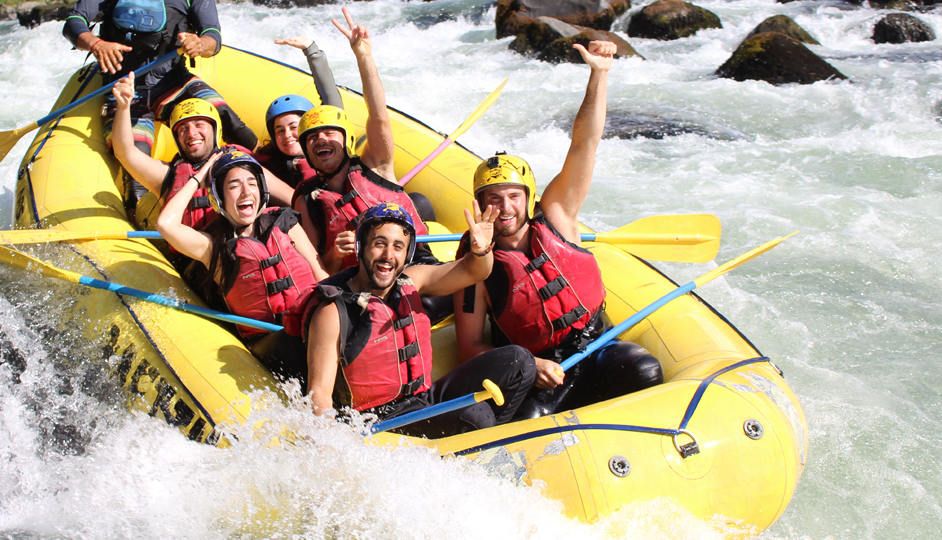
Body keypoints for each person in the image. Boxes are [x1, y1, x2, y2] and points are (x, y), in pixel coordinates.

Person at [453, 41, 662, 421]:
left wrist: (599, 74)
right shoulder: (474, 263)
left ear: (529, 197)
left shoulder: (558, 216)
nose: (505, 208)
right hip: (543, 370)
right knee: (532, 422)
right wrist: (531, 365)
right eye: (493, 198)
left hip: (598, 346)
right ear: (480, 202)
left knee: (645, 370)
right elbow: (469, 344)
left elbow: (585, 143)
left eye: (514, 196)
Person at [63, 0, 257, 204]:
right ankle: (146, 229)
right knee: (137, 171)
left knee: (227, 119)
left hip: (173, 82)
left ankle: (263, 172)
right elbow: (74, 22)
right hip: (126, 89)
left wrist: (199, 44)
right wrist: (96, 44)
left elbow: (213, 37)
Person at [299, 202, 535, 438]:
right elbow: (319, 394)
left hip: (422, 399)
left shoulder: (412, 279)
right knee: (476, 415)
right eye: (379, 244)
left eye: (398, 247)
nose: (388, 256)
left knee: (519, 362)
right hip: (378, 422)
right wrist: (327, 445)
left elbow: (474, 272)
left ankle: (489, 442)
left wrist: (481, 250)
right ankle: (478, 443)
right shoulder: (332, 311)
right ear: (361, 248)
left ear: (407, 253)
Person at [157, 147, 327, 380]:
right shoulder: (212, 248)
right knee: (294, 341)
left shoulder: (284, 222)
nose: (246, 192)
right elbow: (166, 225)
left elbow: (322, 276)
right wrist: (201, 175)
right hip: (274, 344)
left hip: (314, 327)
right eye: (234, 186)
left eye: (252, 183)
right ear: (219, 197)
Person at [293, 8, 440, 276]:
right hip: (364, 283)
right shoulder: (308, 200)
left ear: (346, 139)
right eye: (312, 137)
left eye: (329, 133)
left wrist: (364, 57)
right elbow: (318, 270)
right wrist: (335, 254)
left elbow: (379, 116)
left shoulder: (376, 165)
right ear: (307, 152)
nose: (321, 139)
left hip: (416, 267)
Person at [111, 75, 294, 232]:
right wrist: (123, 107)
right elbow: (125, 152)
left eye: (199, 125)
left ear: (215, 131)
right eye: (183, 128)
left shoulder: (243, 164)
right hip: (200, 261)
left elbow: (293, 199)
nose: (191, 133)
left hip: (249, 250)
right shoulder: (166, 175)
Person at [253, 36, 345, 188]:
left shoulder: (330, 154)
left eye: (293, 127)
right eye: (280, 130)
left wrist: (311, 50)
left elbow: (332, 103)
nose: (287, 135)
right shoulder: (268, 164)